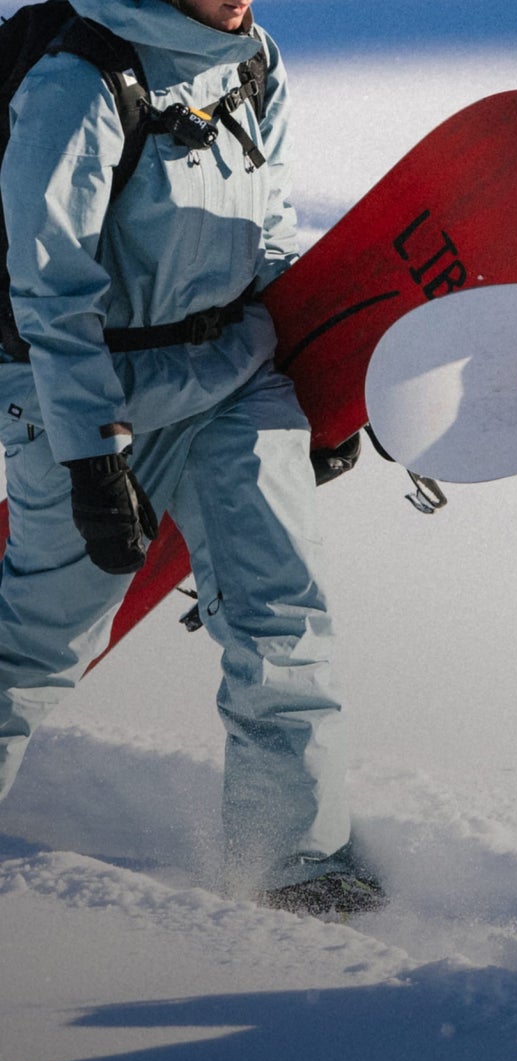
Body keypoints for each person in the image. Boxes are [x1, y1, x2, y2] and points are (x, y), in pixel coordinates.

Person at [0, 0, 376, 915]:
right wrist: (93, 460)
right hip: (94, 397)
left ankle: (295, 865)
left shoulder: (254, 61)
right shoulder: (79, 80)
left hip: (236, 378)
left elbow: (270, 229)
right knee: (41, 644)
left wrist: (326, 382)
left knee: (281, 612)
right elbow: (48, 288)